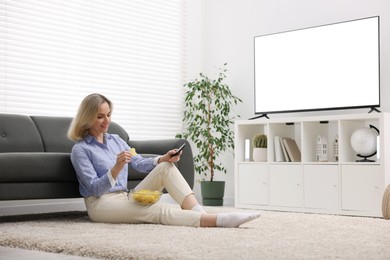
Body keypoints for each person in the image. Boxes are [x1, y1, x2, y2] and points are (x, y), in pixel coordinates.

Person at [68, 93, 260, 228]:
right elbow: (94, 189)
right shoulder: (81, 150)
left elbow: (139, 163)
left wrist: (162, 159)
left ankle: (200, 212)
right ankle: (214, 221)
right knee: (155, 210)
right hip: (101, 204)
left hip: (124, 197)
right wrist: (116, 168)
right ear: (87, 118)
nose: (107, 121)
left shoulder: (116, 141)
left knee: (166, 167)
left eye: (109, 115)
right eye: (100, 116)